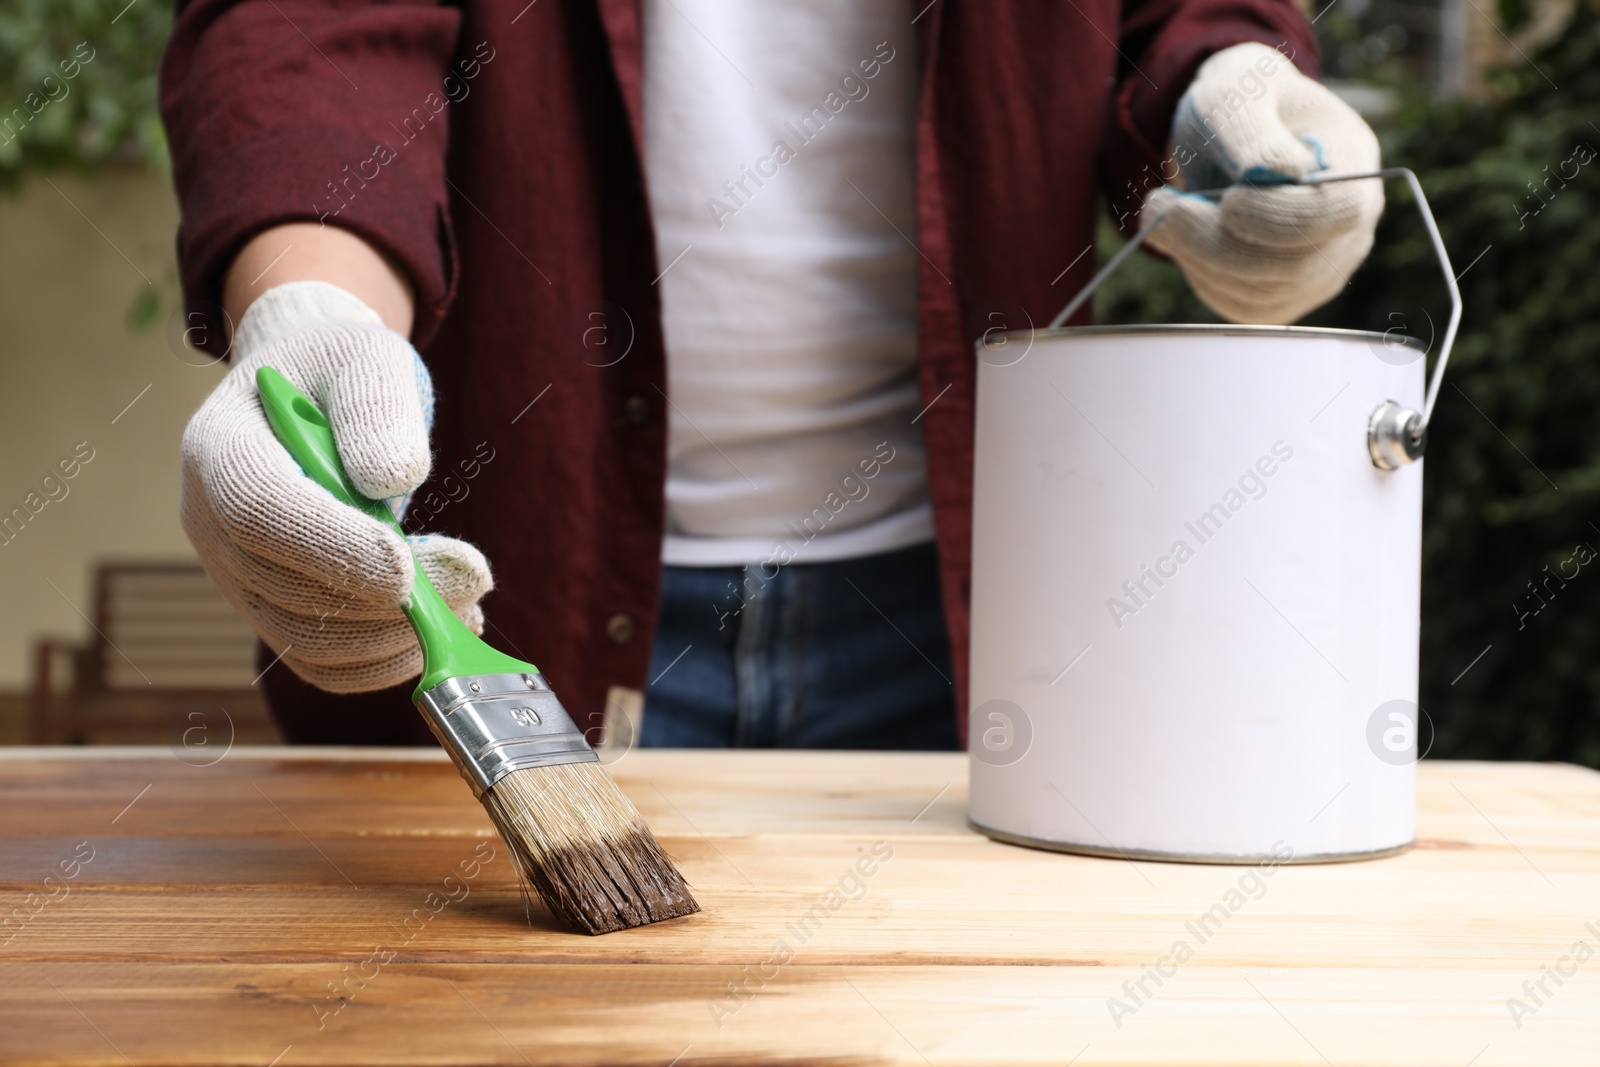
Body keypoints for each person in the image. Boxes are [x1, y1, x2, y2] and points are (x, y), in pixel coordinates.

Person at [161, 0, 1381, 749]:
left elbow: (1172, 23)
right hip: (518, 587)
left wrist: (1229, 89)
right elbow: (308, 31)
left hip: (975, 625)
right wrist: (310, 306)